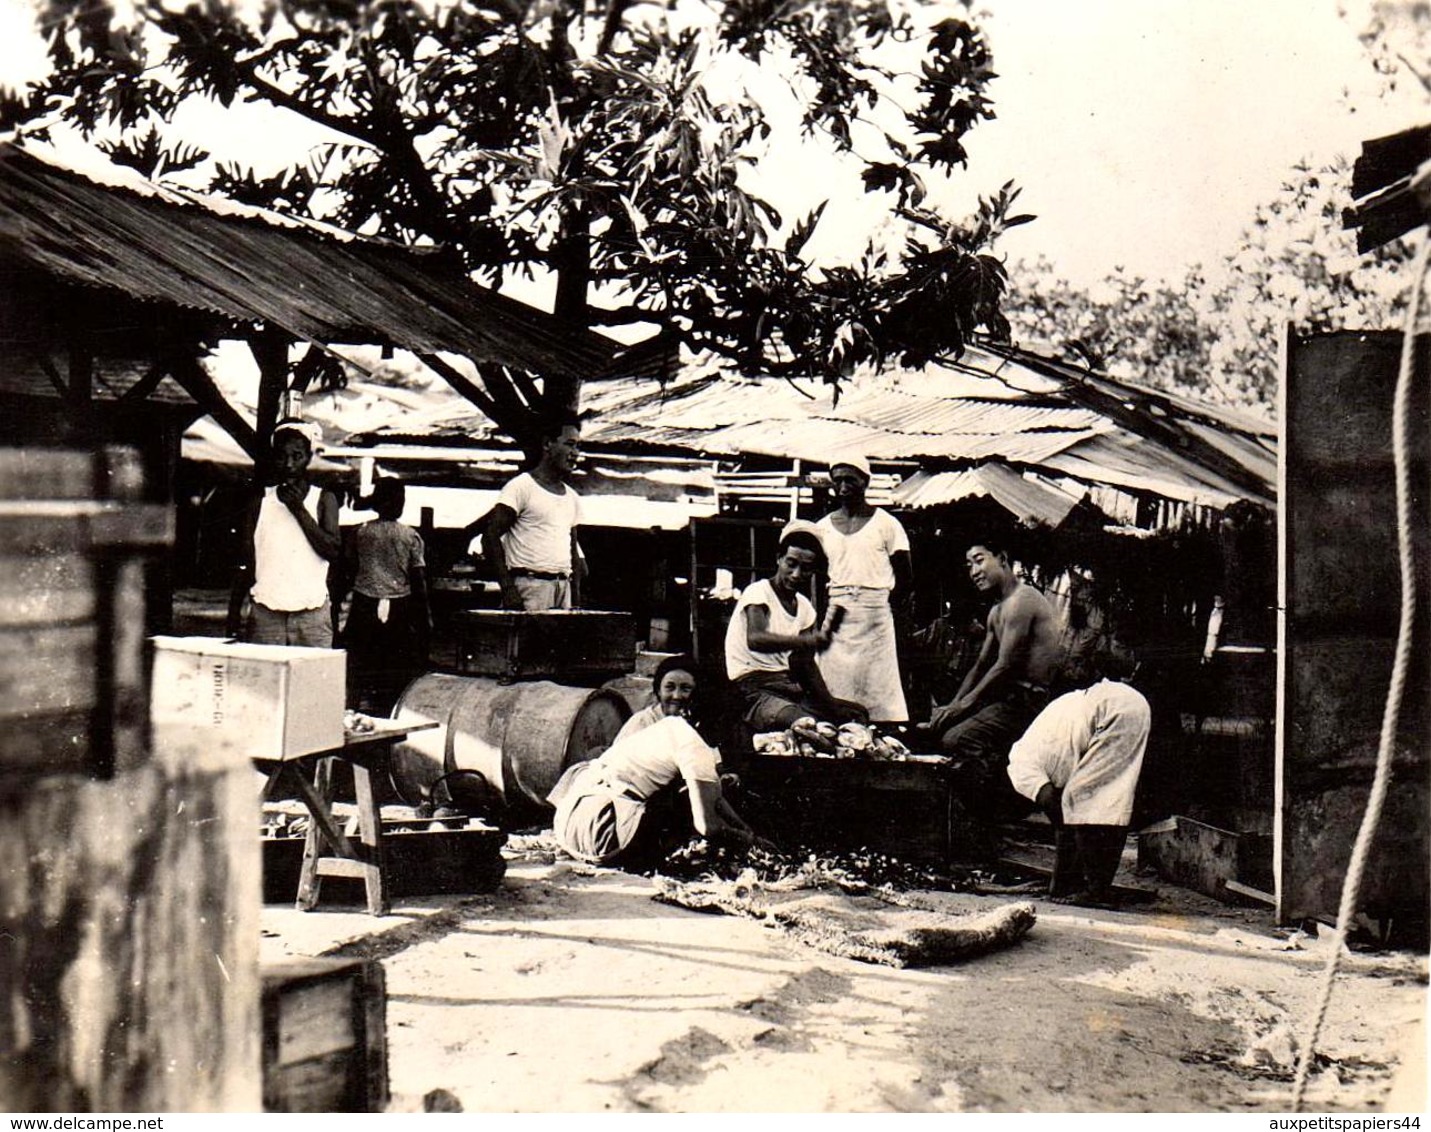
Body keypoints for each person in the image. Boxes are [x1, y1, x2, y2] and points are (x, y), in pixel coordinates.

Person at [1007, 661, 1152, 908]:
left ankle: (1095, 891)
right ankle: (1094, 887)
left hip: (1108, 710)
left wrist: (1058, 884)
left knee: (1088, 805)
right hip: (1120, 703)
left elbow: (1064, 818)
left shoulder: (1021, 771)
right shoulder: (1033, 747)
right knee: (1113, 801)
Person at [547, 714, 765, 867]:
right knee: (683, 801)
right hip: (601, 836)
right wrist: (749, 841)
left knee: (684, 792)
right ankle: (651, 859)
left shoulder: (671, 727)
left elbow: (714, 797)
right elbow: (707, 826)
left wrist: (745, 829)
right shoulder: (697, 750)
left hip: (568, 826)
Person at [929, 540, 1062, 782]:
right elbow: (981, 665)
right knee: (938, 728)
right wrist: (952, 705)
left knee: (957, 739)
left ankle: (997, 801)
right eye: (969, 565)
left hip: (1029, 701)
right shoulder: (996, 611)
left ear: (1001, 558)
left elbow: (1005, 665)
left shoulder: (1023, 600)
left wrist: (963, 705)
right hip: (1007, 698)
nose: (974, 572)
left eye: (979, 561)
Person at [724, 529, 867, 731]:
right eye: (791, 564)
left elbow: (804, 663)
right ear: (779, 559)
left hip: (787, 687)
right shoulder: (758, 591)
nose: (797, 574)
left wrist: (831, 705)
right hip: (752, 688)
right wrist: (807, 641)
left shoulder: (804, 607)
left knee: (856, 715)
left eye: (806, 568)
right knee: (807, 725)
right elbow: (755, 639)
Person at [814, 455, 912, 722]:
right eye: (838, 481)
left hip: (875, 613)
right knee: (834, 682)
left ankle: (883, 737)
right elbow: (821, 577)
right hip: (837, 614)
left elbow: (905, 577)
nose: (843, 486)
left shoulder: (887, 524)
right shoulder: (822, 528)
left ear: (865, 482)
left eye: (850, 480)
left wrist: (882, 608)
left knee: (879, 684)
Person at [227, 420, 341, 647]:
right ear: (273, 458)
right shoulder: (260, 502)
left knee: (312, 682)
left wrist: (298, 509)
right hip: (266, 613)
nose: (289, 464)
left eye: (297, 456)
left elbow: (333, 551)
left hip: (312, 615)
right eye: (281, 456)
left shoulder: (323, 499)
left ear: (309, 457)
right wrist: (234, 612)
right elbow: (246, 560)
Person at [339, 478, 432, 713]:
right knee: (396, 662)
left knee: (360, 661)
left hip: (364, 602)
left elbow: (348, 569)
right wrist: (425, 615)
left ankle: (352, 709)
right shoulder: (409, 536)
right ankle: (392, 709)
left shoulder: (360, 533)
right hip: (399, 604)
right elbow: (418, 578)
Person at [484, 416, 584, 611]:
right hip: (529, 587)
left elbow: (572, 549)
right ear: (548, 444)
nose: (575, 453)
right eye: (570, 444)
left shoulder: (572, 497)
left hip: (563, 588)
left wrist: (576, 598)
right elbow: (490, 537)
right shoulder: (521, 487)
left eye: (578, 446)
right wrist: (508, 588)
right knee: (527, 642)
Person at [614, 653, 699, 742]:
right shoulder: (642, 724)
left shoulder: (696, 724)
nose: (676, 696)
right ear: (658, 690)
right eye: (670, 687)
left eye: (685, 688)